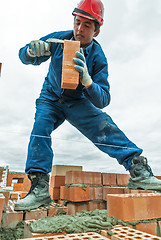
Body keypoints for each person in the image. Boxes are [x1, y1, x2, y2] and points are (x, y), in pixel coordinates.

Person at [14, 0, 161, 211]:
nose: (79, 29)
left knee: (104, 125)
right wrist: (32, 51)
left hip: (77, 101)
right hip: (50, 97)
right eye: (77, 22)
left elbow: (103, 99)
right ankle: (38, 189)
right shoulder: (59, 39)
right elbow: (24, 56)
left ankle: (139, 171)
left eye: (86, 25)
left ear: (97, 31)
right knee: (40, 129)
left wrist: (88, 82)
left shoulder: (98, 57)